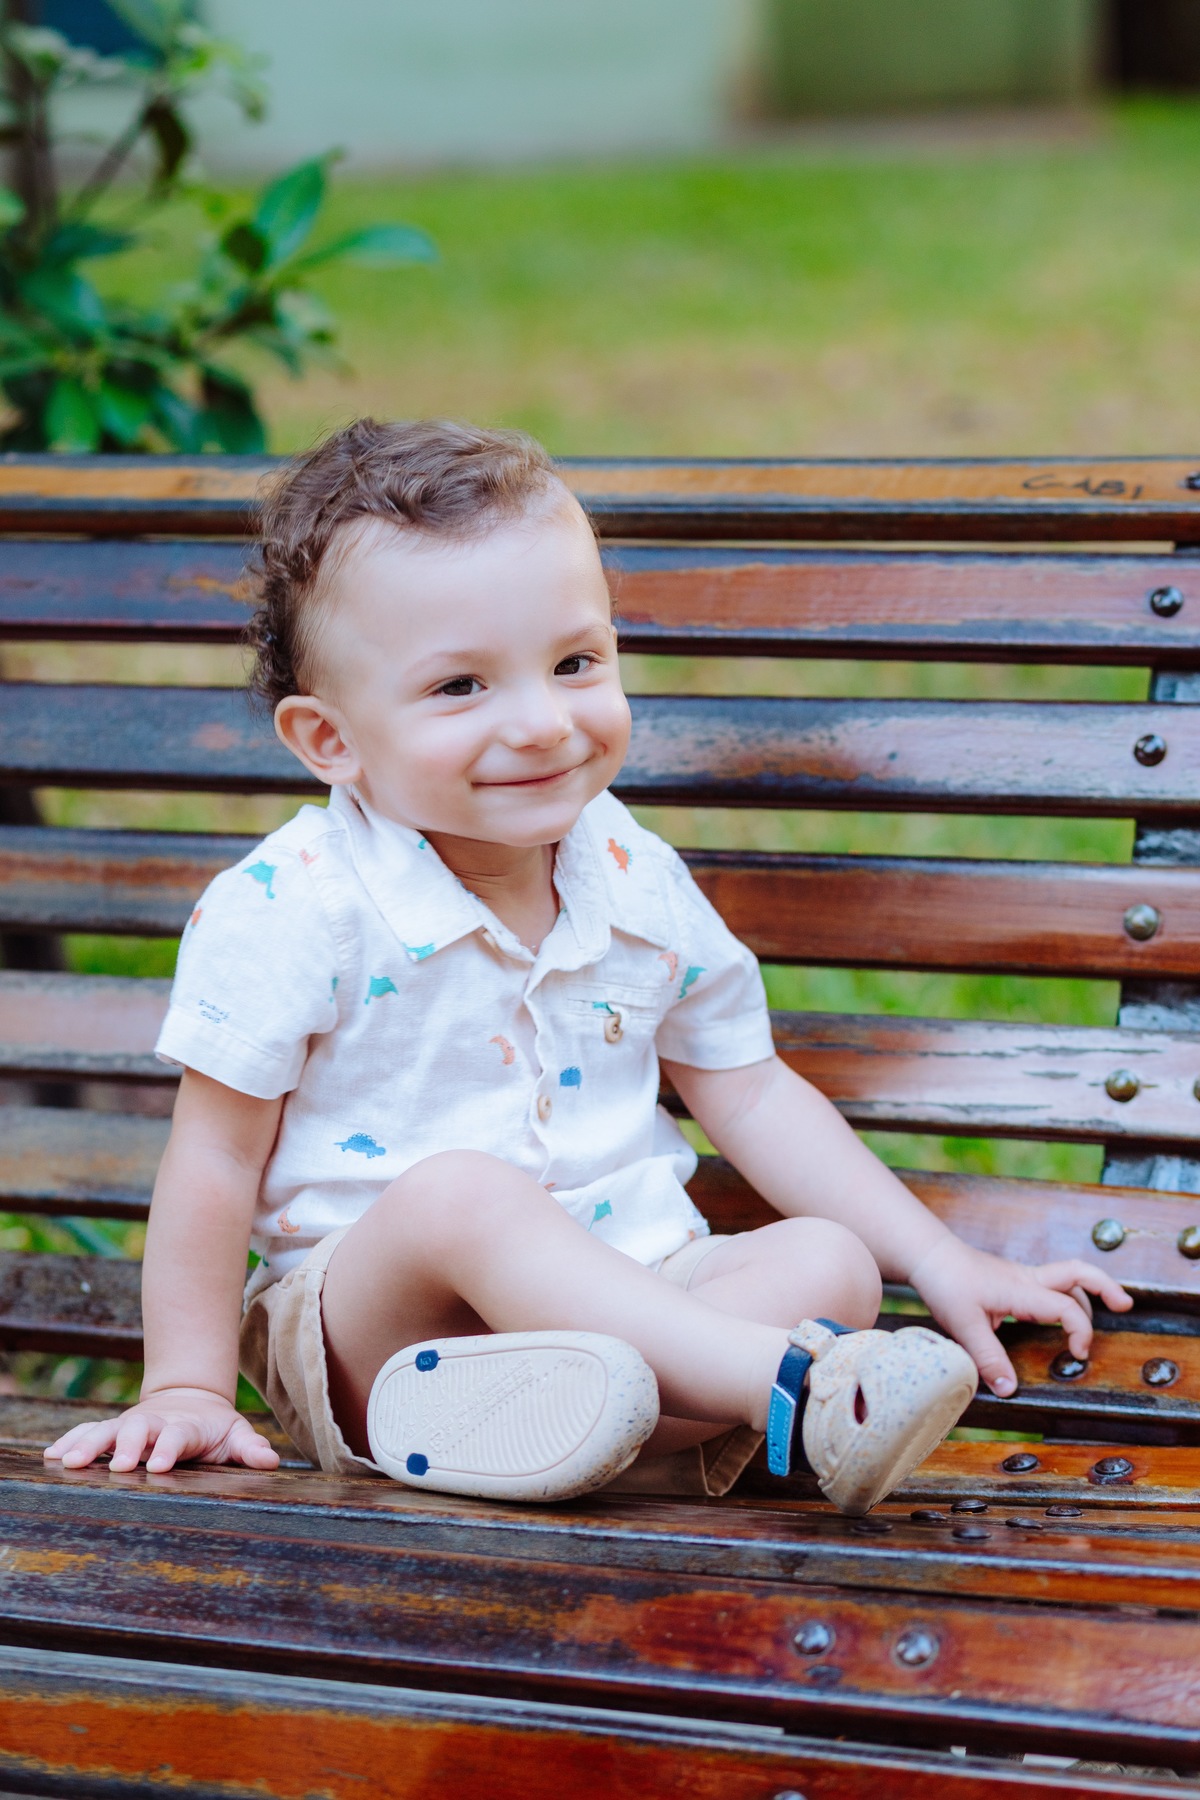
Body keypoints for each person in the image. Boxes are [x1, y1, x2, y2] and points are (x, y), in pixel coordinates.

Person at [44, 419, 1131, 1514]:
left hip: (634, 1298)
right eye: (461, 687)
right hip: (380, 1331)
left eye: (575, 663)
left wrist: (939, 1263)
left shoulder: (631, 872)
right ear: (332, 742)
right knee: (463, 1197)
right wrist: (186, 1382)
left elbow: (747, 1087)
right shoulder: (297, 905)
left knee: (832, 1263)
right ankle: (785, 1388)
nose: (542, 723)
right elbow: (216, 1161)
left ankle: (589, 1433)